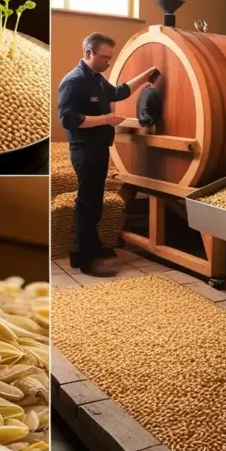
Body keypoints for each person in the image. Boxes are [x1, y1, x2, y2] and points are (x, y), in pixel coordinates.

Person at [58, 32, 160, 276]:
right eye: (104, 57)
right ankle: (87, 261)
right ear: (88, 53)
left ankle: (86, 250)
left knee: (94, 202)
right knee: (88, 203)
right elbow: (68, 119)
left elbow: (118, 92)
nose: (108, 62)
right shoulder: (74, 81)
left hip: (99, 147)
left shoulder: (96, 78)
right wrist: (106, 119)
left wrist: (144, 77)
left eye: (110, 58)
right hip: (85, 149)